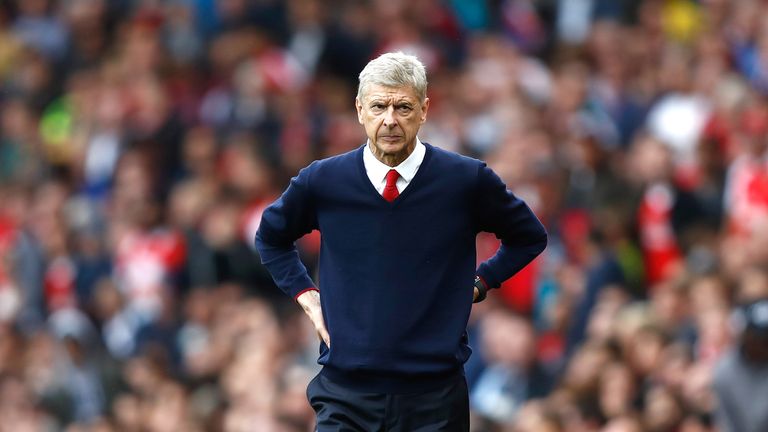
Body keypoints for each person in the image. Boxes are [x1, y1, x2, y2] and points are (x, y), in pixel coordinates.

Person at [255, 52, 547, 431]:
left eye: (403, 107)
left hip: (434, 397)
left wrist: (481, 281)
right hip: (346, 393)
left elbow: (529, 236)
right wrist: (306, 296)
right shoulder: (323, 181)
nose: (390, 120)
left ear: (424, 110)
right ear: (360, 110)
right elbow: (271, 238)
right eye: (379, 106)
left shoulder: (465, 180)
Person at [712, 298, 768, 432]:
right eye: (760, 337)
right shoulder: (724, 371)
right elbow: (729, 424)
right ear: (746, 335)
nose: (764, 343)